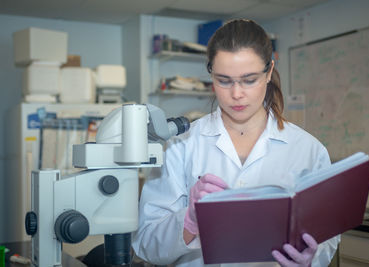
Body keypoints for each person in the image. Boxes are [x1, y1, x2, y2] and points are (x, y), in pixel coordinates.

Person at [132, 19, 340, 267]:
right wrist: (189, 221)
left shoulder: (309, 150)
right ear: (211, 74)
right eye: (224, 80)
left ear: (270, 71)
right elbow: (145, 245)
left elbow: (326, 240)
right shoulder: (181, 145)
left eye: (250, 80)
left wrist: (310, 259)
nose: (237, 94)